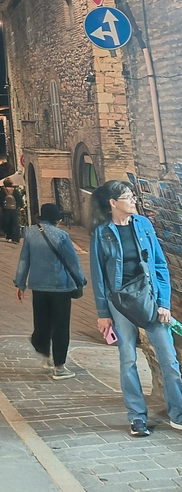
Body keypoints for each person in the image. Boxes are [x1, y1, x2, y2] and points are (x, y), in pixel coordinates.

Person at [90, 180, 182, 437]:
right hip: (119, 303)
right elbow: (99, 276)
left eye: (133, 196)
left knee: (169, 359)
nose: (134, 201)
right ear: (113, 203)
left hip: (149, 298)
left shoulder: (143, 225)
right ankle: (137, 417)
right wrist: (103, 314)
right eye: (128, 197)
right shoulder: (102, 233)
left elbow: (160, 265)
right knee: (128, 358)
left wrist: (164, 303)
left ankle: (178, 413)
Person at [14, 203, 85, 380]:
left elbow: (24, 260)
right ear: (57, 219)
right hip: (60, 286)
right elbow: (72, 262)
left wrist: (20, 284)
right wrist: (80, 280)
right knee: (60, 326)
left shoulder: (29, 233)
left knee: (42, 322)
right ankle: (59, 367)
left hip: (38, 286)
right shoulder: (61, 236)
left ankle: (45, 354)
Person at [0, 178, 24, 243]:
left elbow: (0, 200)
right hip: (14, 209)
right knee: (15, 223)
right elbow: (19, 199)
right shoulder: (15, 191)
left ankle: (8, 236)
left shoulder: (2, 191)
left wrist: (2, 206)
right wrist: (20, 206)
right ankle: (15, 238)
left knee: (7, 222)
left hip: (6, 209)